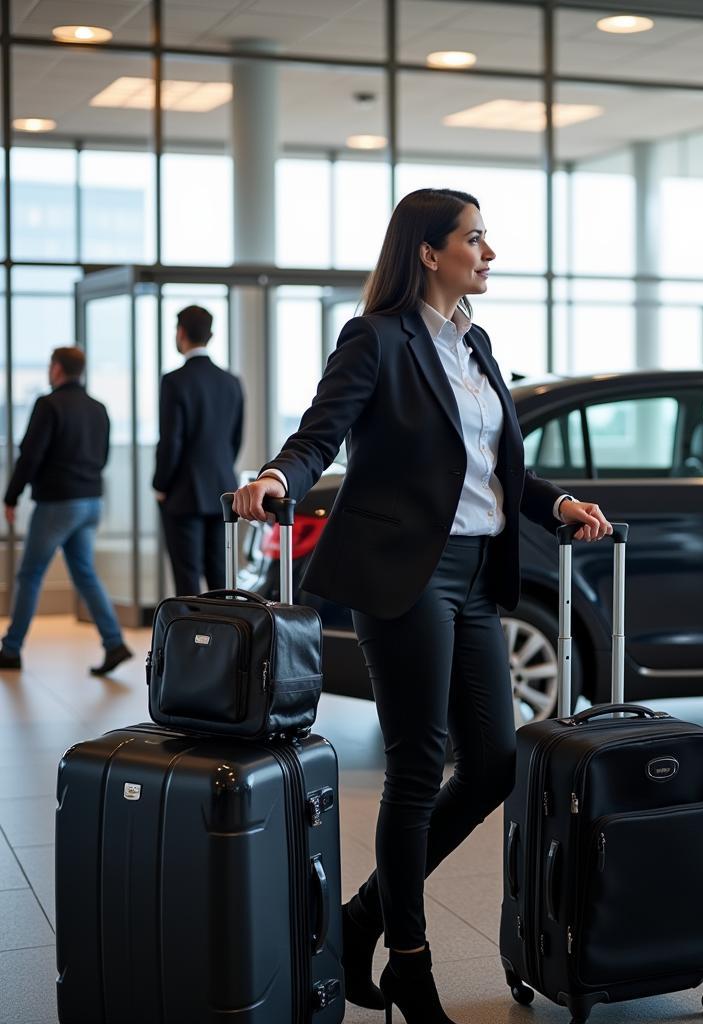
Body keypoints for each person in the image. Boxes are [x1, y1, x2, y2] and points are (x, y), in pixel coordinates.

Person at [233, 188, 611, 1024]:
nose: (490, 251)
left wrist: (556, 505)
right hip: (407, 572)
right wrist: (274, 479)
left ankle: (362, 916)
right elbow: (318, 435)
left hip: (480, 575)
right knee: (416, 765)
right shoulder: (375, 339)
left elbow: (490, 468)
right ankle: (409, 956)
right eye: (475, 238)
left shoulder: (477, 343)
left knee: (494, 762)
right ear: (429, 252)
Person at [0, 347, 132, 675]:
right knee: (85, 573)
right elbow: (102, 457)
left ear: (57, 369)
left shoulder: (48, 405)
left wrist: (11, 496)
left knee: (30, 574)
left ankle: (11, 650)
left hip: (58, 503)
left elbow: (30, 455)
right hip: (90, 502)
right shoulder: (98, 408)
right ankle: (114, 643)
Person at [154, 305, 244, 596]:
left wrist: (160, 485)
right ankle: (225, 640)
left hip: (183, 493)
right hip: (222, 490)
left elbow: (171, 441)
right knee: (221, 576)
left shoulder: (174, 381)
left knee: (187, 578)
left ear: (180, 333)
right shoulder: (231, 382)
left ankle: (192, 642)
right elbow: (235, 439)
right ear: (212, 335)